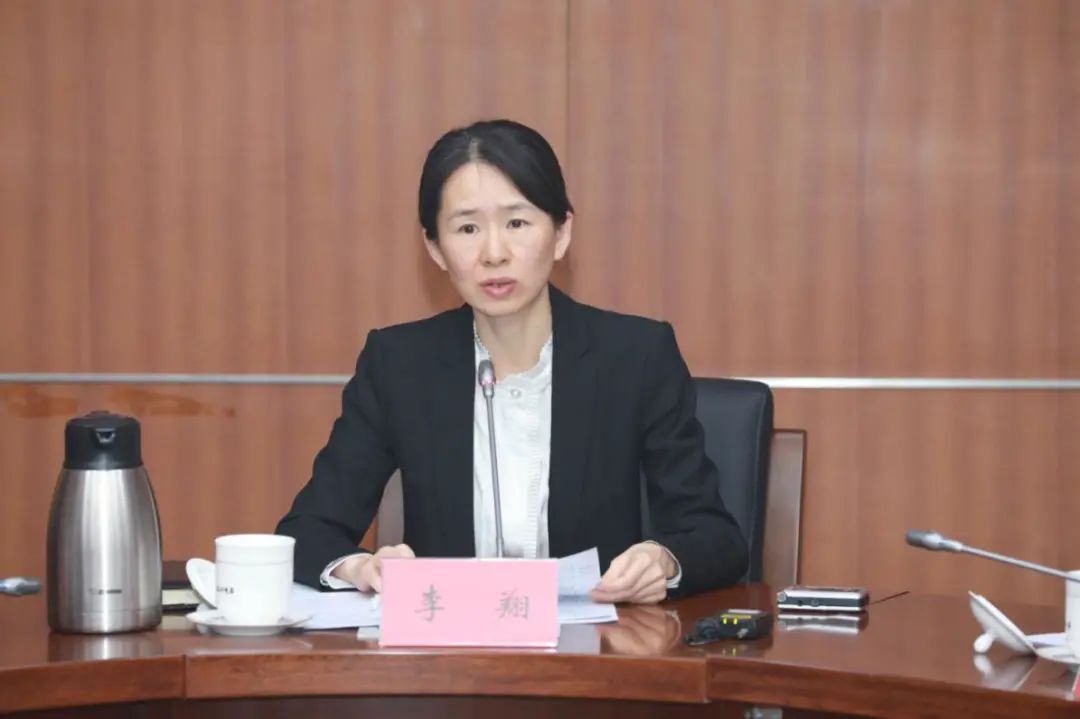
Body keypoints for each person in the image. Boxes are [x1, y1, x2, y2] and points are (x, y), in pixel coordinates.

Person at [276, 119, 747, 603]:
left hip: (598, 644)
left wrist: (661, 560)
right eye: (467, 228)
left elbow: (715, 538)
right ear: (435, 248)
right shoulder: (399, 365)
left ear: (561, 233)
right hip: (449, 645)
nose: (494, 253)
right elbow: (307, 532)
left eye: (517, 223)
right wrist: (360, 567)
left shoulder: (635, 357)